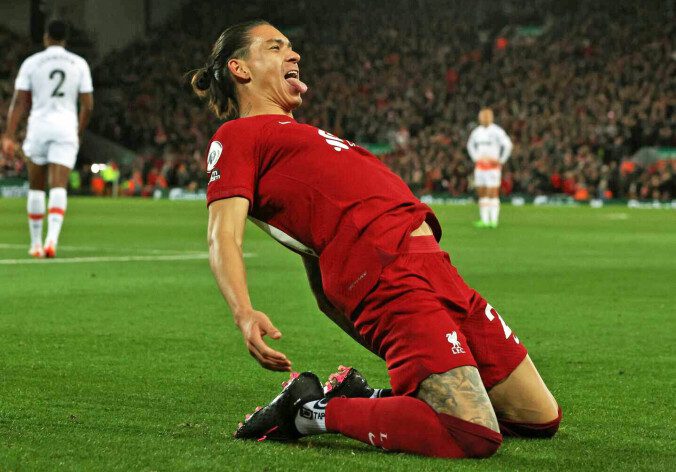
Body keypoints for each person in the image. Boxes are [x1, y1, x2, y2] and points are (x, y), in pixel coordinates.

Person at [192, 20, 560, 459]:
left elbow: (317, 248)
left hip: (438, 270)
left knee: (540, 418)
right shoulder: (236, 136)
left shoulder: (308, 135)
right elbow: (222, 234)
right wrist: (243, 311)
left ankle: (364, 398)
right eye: (275, 48)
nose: (294, 55)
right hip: (390, 276)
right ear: (240, 69)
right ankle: (308, 411)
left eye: (291, 47)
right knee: (471, 434)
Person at [1, 19, 94, 258]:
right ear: (66, 39)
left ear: (46, 37)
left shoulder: (32, 63)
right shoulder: (79, 64)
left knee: (36, 186)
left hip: (39, 126)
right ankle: (52, 240)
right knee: (58, 185)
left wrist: (9, 135)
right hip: (65, 127)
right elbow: (88, 105)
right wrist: (77, 132)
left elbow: (19, 102)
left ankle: (35, 244)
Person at [467, 108, 512, 228]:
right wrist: (476, 158)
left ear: (491, 117)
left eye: (487, 116)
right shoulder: (477, 132)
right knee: (482, 193)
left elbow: (508, 145)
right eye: (482, 116)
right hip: (480, 167)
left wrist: (501, 160)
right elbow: (470, 145)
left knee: (493, 193)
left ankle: (494, 220)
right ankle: (484, 220)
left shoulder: (497, 131)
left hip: (493, 168)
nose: (484, 118)